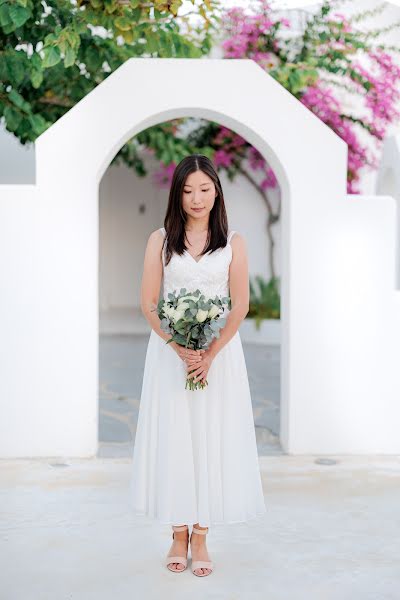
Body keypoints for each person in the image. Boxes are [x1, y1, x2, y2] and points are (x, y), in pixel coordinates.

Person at [129, 154, 266, 577]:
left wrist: (208, 353)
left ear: (216, 192)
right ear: (177, 193)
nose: (196, 198)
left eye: (204, 189)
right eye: (188, 190)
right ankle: (177, 532)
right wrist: (179, 346)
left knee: (211, 436)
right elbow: (149, 304)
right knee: (175, 436)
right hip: (171, 357)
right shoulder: (160, 239)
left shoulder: (233, 243)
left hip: (218, 359)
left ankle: (202, 536)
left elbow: (240, 305)